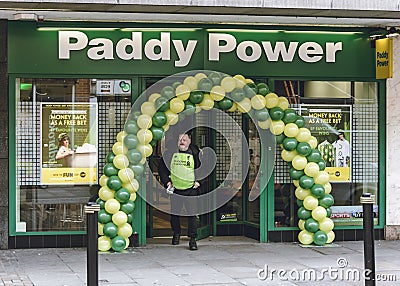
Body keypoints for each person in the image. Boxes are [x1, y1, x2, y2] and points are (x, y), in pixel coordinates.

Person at [158, 132, 201, 251]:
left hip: (191, 189)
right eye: (180, 139)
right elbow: (162, 168)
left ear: (189, 141)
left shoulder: (195, 153)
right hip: (176, 189)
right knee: (175, 214)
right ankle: (176, 233)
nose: (182, 141)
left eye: (185, 139)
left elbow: (202, 167)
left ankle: (192, 239)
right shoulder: (170, 153)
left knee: (192, 215)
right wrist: (167, 182)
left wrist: (198, 181)